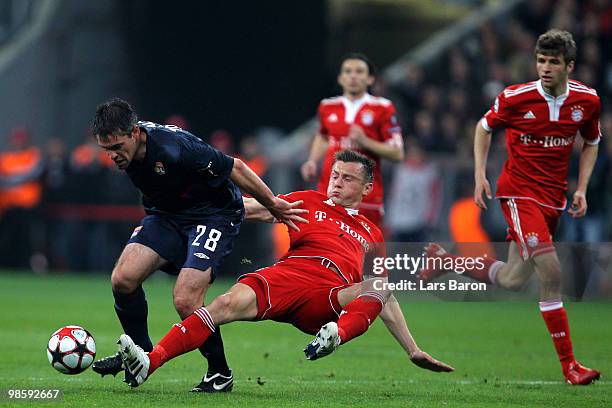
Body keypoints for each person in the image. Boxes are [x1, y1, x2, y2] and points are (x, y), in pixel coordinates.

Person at [103, 150, 453, 388]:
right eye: (335, 175)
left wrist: (412, 349)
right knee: (220, 306)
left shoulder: (372, 233)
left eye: (347, 178)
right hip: (287, 275)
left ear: (367, 187)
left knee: (380, 282)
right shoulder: (308, 201)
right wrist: (201, 208)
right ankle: (150, 361)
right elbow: (252, 208)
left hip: (329, 295)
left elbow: (383, 297)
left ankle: (335, 335)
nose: (337, 182)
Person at [420, 29, 601, 385]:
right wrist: (479, 175)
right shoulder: (515, 97)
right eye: (541, 60)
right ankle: (570, 366)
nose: (545, 68)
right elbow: (483, 128)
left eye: (553, 62)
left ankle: (446, 260)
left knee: (513, 279)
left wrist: (581, 188)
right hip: (518, 194)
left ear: (570, 66)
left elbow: (592, 141)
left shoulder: (587, 101)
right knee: (551, 271)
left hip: (553, 200)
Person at [89, 98, 304, 392]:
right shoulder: (132, 150)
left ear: (135, 132)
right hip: (167, 215)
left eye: (116, 148)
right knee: (123, 279)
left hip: (213, 217)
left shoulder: (175, 147)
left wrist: (271, 203)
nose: (113, 156)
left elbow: (236, 168)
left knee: (186, 300)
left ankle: (219, 372)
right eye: (106, 150)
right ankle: (138, 352)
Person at [300, 53, 404, 227]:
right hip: (330, 192)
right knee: (328, 248)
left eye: (359, 71)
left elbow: (398, 153)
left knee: (368, 252)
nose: (353, 76)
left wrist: (366, 141)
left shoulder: (382, 108)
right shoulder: (328, 106)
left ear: (370, 79)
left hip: (365, 196)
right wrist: (312, 160)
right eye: (348, 71)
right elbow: (324, 136)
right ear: (341, 78)